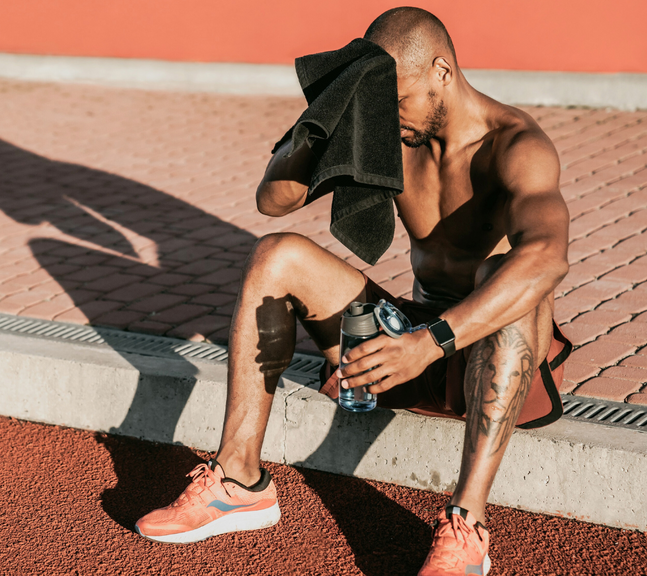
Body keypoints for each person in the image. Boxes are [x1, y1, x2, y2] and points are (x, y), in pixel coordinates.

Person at [135, 7, 571, 575]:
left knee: (510, 274)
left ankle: (467, 528)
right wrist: (329, 117)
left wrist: (427, 342)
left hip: (497, 359)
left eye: (397, 100)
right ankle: (239, 482)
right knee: (275, 253)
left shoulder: (516, 146)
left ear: (442, 71)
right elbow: (274, 200)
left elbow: (549, 259)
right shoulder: (394, 135)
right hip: (414, 348)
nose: (389, 118)